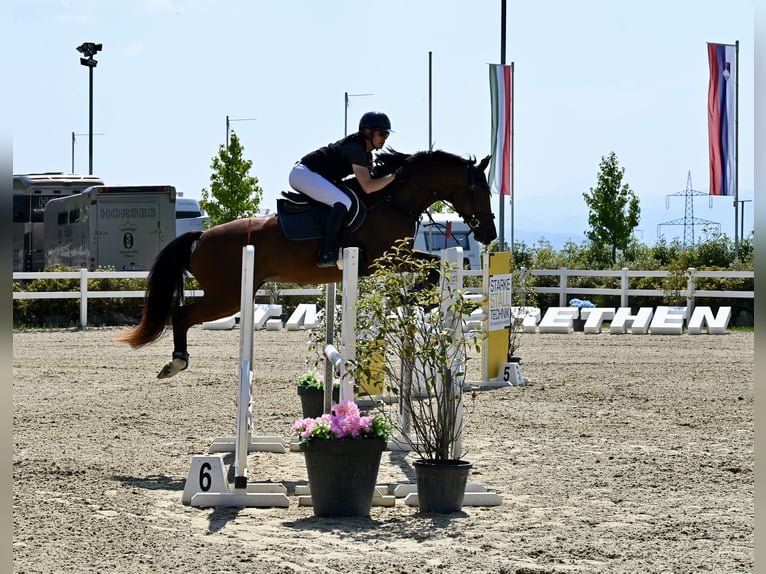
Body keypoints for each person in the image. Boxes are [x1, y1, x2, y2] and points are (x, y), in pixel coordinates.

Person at [289, 111, 400, 268]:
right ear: (368, 132)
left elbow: (369, 185)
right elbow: (368, 187)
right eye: (382, 134)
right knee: (343, 201)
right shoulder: (355, 148)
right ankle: (326, 253)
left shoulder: (367, 154)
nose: (384, 139)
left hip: (314, 175)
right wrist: (393, 177)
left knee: (347, 199)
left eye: (386, 135)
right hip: (303, 174)